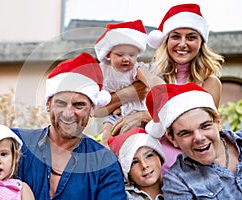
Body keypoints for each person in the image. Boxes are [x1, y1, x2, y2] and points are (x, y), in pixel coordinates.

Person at [12, 52, 127, 199]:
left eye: (78, 105)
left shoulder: (105, 163)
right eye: (60, 103)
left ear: (92, 109)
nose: (68, 113)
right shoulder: (14, 143)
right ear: (48, 104)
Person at [146, 3, 225, 174]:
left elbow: (200, 130)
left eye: (191, 37)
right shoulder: (151, 77)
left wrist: (142, 116)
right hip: (152, 170)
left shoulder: (209, 83)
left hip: (191, 170)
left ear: (200, 43)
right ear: (166, 40)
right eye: (175, 36)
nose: (182, 44)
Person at [145, 83, 242, 198]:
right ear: (172, 139)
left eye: (205, 126)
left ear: (218, 122)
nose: (199, 138)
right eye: (186, 133)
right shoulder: (177, 182)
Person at [94, 19, 164, 146]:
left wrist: (158, 87)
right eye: (120, 54)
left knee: (139, 140)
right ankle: (107, 160)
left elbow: (150, 80)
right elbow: (97, 99)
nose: (126, 59)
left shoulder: (136, 69)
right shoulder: (104, 71)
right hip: (115, 115)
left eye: (132, 55)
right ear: (109, 54)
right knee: (106, 136)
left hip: (136, 112)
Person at [108, 127, 165, 200]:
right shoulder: (121, 195)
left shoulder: (178, 184)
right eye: (134, 162)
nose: (144, 165)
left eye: (149, 156)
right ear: (127, 172)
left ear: (160, 157)